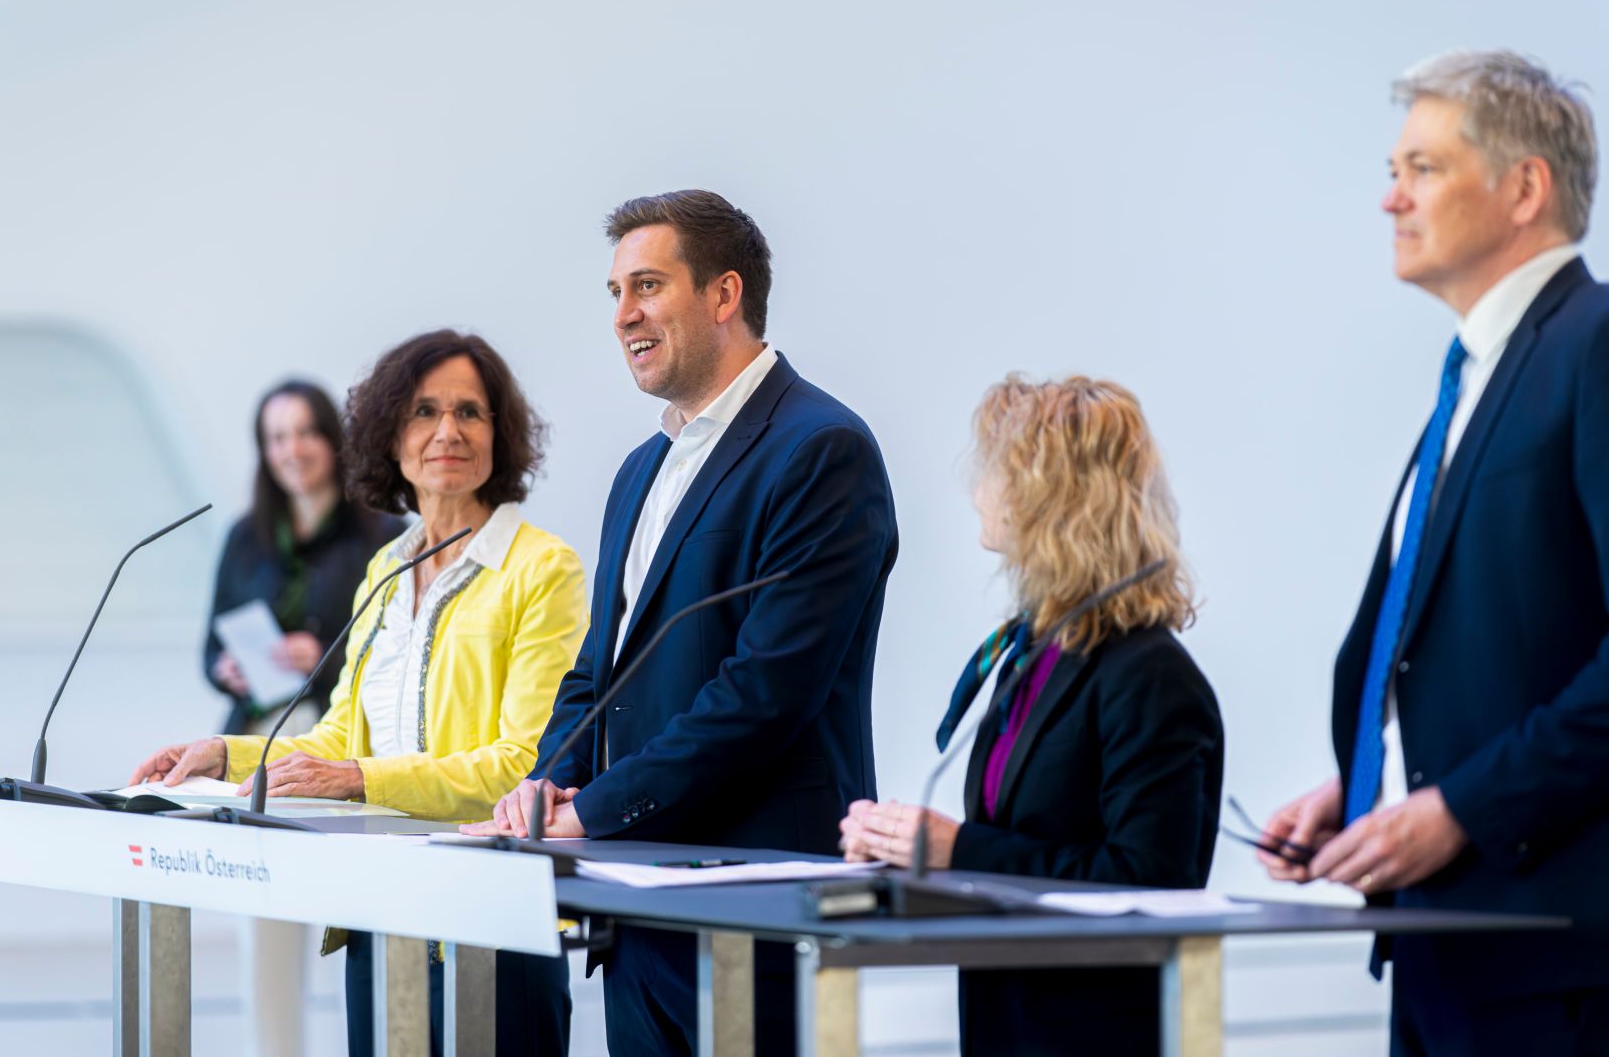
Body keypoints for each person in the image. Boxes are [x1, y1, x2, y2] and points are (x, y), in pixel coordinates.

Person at [1259, 51, 1609, 1054]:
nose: (1390, 198)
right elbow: (1496, 649)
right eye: (1393, 171)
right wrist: (1372, 786)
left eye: (1421, 169)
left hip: (1558, 966)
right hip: (1442, 949)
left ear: (1524, 188)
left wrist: (1462, 808)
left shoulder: (1603, 343)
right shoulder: (1471, 375)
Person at [467, 189, 899, 1055]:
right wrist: (545, 785)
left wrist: (596, 809)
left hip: (757, 900)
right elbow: (598, 671)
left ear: (724, 293)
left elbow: (766, 690)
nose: (623, 314)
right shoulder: (641, 468)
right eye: (615, 292)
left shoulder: (821, 448)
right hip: (634, 904)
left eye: (648, 286)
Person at [133, 331, 586, 1057]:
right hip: (377, 909)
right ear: (390, 436)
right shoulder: (385, 567)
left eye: (470, 411)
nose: (448, 431)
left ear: (500, 434)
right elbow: (341, 736)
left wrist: (358, 778)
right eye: (424, 411)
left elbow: (526, 763)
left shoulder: (542, 567)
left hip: (488, 916)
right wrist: (224, 754)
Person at [839, 374, 1222, 1057]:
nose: (977, 492)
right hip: (1007, 1019)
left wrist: (955, 849)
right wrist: (903, 853)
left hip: (1095, 1035)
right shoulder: (1039, 651)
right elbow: (1020, 845)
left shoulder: (1150, 676)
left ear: (1050, 498)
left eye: (994, 473)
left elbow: (1147, 886)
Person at [200, 380, 404, 1057]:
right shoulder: (245, 536)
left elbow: (398, 646)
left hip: (344, 745)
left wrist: (323, 654)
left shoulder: (383, 534)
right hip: (255, 742)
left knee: (362, 914)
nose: (293, 449)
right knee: (264, 915)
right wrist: (227, 668)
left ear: (333, 440)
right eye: (277, 436)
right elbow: (209, 648)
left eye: (306, 432)